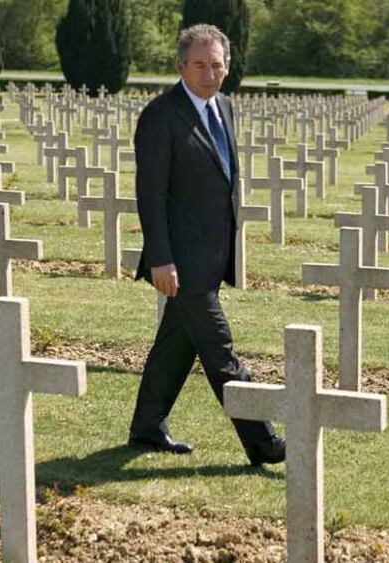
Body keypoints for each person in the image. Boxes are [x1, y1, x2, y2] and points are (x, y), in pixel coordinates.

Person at [128, 24, 285, 465]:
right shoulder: (161, 115)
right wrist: (160, 257)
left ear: (228, 66)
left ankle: (146, 427)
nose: (209, 73)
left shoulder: (226, 107)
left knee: (176, 346)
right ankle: (264, 441)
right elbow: (151, 193)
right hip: (181, 261)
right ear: (181, 65)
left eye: (217, 64)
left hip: (212, 258)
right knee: (221, 353)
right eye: (199, 64)